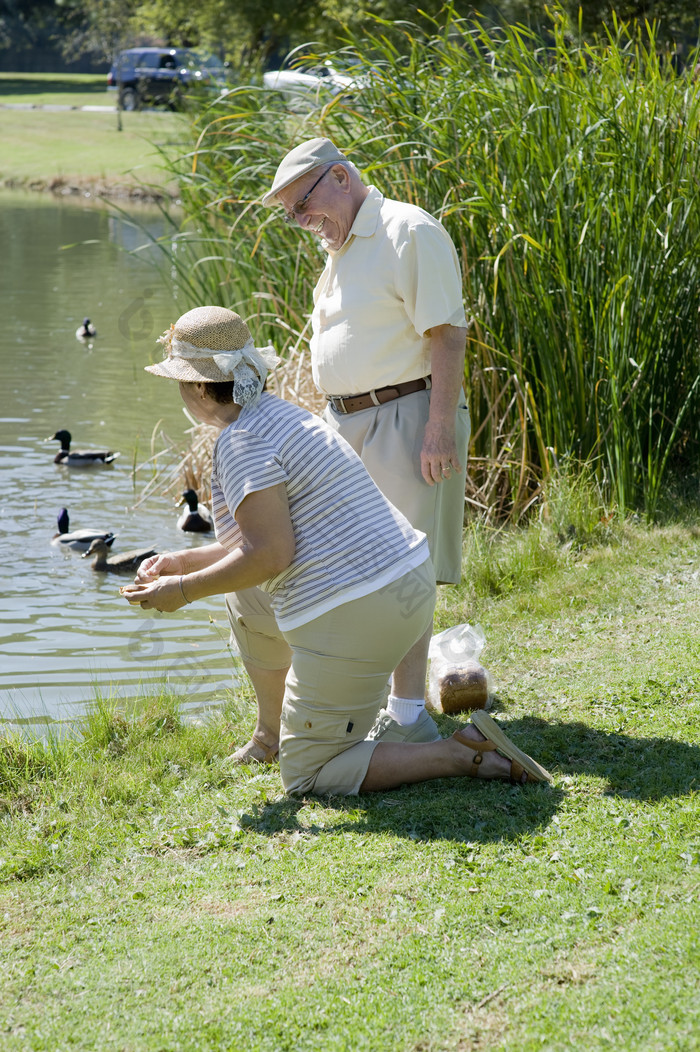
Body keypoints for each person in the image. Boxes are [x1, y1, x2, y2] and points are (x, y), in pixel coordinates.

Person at [121, 305, 551, 796]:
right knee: (245, 597)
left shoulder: (240, 443)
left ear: (199, 387)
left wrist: (182, 590)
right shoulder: (279, 415)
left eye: (179, 380)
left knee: (308, 774)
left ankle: (462, 753)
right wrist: (183, 561)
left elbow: (271, 556)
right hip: (405, 590)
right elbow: (256, 542)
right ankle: (270, 736)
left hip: (358, 609)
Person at [223, 137, 471, 764]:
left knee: (403, 565)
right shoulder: (339, 246)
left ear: (340, 177)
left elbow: (447, 335)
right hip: (347, 424)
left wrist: (438, 427)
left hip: (405, 415)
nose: (301, 223)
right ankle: (349, 705)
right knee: (339, 558)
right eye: (291, 215)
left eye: (303, 207)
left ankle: (410, 718)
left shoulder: (406, 230)